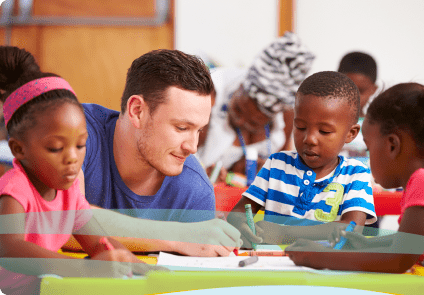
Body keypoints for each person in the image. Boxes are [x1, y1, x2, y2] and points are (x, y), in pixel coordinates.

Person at [0, 46, 158, 294]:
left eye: (80, 144)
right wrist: (85, 269)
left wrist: (136, 265)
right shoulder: (14, 189)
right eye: (55, 148)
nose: (73, 158)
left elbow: (98, 243)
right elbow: (10, 250)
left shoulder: (69, 191)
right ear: (19, 149)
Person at [286, 78, 424, 290]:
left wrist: (318, 258)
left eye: (369, 148)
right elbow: (410, 243)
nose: (368, 158)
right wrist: (365, 243)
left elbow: (399, 259)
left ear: (392, 145)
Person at [74, 49, 241, 257]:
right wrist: (178, 236)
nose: (192, 147)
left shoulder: (195, 190)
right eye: (181, 128)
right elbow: (60, 220)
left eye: (199, 130)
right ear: (137, 111)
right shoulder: (73, 130)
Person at [227, 71, 377, 247]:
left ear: (350, 134)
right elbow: (238, 213)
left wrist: (285, 234)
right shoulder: (277, 164)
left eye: (324, 131)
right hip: (271, 267)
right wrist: (242, 226)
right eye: (300, 127)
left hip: (323, 271)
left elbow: (351, 228)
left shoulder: (355, 174)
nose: (309, 139)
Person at [196, 32, 315, 181]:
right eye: (238, 110)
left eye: (253, 123)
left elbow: (280, 168)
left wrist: (255, 169)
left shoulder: (286, 115)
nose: (239, 122)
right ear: (240, 86)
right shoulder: (207, 96)